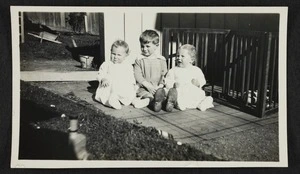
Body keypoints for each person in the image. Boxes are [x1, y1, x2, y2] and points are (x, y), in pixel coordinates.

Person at [95, 40, 149, 109]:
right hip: (110, 88)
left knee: (130, 94)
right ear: (110, 52)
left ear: (126, 55)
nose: (115, 57)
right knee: (107, 96)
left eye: (119, 55)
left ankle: (136, 102)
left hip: (122, 87)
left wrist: (133, 84)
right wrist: (103, 79)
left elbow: (131, 76)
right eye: (113, 54)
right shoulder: (107, 64)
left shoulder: (127, 65)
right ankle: (111, 102)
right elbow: (100, 73)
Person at [164, 44, 214, 112]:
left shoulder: (196, 70)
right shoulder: (173, 70)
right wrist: (173, 85)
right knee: (174, 93)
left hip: (192, 94)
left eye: (182, 56)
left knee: (203, 95)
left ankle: (203, 104)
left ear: (191, 59)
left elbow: (202, 80)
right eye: (178, 56)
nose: (179, 58)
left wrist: (198, 83)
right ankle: (178, 103)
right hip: (180, 92)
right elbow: (168, 80)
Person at [134, 30, 168, 112]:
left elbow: (164, 75)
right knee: (145, 94)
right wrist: (148, 86)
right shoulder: (139, 59)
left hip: (158, 87)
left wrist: (159, 87)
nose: (144, 49)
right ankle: (153, 102)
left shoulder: (161, 59)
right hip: (144, 87)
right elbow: (137, 75)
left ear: (156, 46)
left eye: (147, 46)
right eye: (142, 46)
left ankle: (167, 101)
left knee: (164, 92)